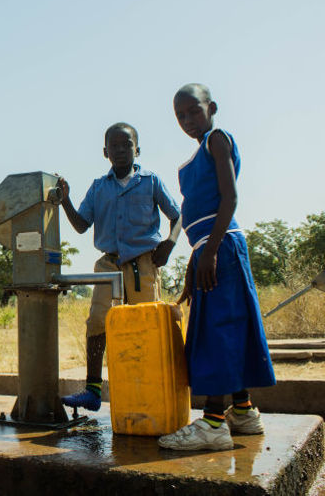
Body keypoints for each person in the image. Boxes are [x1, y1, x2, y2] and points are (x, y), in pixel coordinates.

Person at [157, 84, 275, 451]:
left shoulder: (216, 140)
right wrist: (195, 254)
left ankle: (212, 423)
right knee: (229, 326)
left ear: (211, 108)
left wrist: (211, 251)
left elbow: (231, 197)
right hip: (209, 247)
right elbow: (194, 212)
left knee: (218, 331)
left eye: (194, 111)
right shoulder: (193, 159)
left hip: (222, 245)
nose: (188, 120)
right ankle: (243, 411)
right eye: (180, 116)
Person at [58, 122, 181, 411]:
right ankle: (92, 389)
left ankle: (148, 390)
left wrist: (169, 244)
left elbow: (177, 216)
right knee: (98, 324)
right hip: (108, 265)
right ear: (105, 152)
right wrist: (66, 201)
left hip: (144, 265)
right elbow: (81, 225)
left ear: (138, 149)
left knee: (145, 325)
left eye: (127, 144)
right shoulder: (99, 187)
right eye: (115, 146)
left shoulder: (151, 181)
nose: (121, 150)